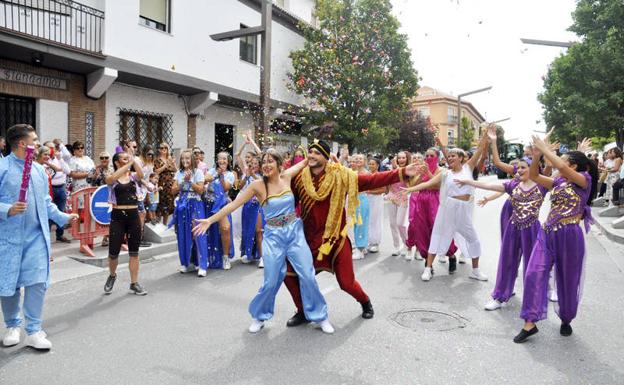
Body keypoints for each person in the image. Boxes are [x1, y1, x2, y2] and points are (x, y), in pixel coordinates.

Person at [193, 150, 334, 334]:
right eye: (264, 162)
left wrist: (322, 153)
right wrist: (210, 220)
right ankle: (259, 316)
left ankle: (320, 316)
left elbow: (308, 161)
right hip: (273, 236)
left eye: (270, 161)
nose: (266, 165)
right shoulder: (257, 186)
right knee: (271, 280)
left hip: (294, 233)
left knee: (307, 275)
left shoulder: (288, 176)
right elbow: (233, 204)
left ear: (278, 163)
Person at [283, 139, 420, 326]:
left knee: (346, 283)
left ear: (325, 157)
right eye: (310, 152)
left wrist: (402, 172)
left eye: (316, 153)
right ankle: (302, 311)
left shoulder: (341, 176)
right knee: (290, 274)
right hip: (308, 240)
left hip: (335, 240)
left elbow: (372, 180)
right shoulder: (299, 179)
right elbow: (284, 199)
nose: (312, 156)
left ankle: (365, 302)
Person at [0, 124, 78, 350]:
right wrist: (7, 209)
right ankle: (12, 325)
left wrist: (63, 217)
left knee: (36, 283)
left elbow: (45, 202)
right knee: (10, 284)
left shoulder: (38, 170)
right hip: (9, 238)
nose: (38, 143)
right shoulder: (2, 167)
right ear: (22, 143)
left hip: (36, 237)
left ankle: (33, 331)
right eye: (34, 140)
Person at [514, 136, 597, 343]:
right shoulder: (558, 181)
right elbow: (534, 175)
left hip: (570, 236)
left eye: (564, 159)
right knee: (533, 273)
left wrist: (545, 149)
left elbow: (559, 164)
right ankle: (530, 322)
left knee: (568, 281)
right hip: (547, 232)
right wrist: (536, 156)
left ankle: (566, 318)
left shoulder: (584, 180)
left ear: (573, 165)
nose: (559, 161)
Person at [456, 157, 547, 311]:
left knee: (533, 265)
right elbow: (489, 186)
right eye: (518, 168)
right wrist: (469, 182)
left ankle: (533, 299)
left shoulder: (542, 186)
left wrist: (543, 151)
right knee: (507, 261)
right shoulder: (513, 185)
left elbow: (561, 172)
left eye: (524, 167)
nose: (519, 170)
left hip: (532, 229)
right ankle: (499, 296)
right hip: (513, 228)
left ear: (534, 169)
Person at [403, 132, 490, 282]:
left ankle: (475, 270)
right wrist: (409, 190)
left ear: (461, 158)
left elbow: (480, 149)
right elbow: (427, 184)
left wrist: (486, 135)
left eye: (453, 156)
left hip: (463, 209)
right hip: (448, 208)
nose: (450, 158)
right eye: (448, 156)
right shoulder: (445, 173)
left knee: (473, 238)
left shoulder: (468, 168)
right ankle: (428, 269)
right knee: (437, 236)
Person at [103, 152, 147, 296]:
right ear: (117, 162)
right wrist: (130, 163)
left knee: (134, 252)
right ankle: (112, 275)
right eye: (124, 158)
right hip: (117, 216)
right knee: (113, 253)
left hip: (133, 215)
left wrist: (134, 162)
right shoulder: (112, 175)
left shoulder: (133, 177)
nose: (128, 161)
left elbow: (141, 175)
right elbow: (111, 179)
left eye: (128, 158)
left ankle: (134, 283)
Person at [405, 147, 458, 263]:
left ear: (437, 158)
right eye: (427, 156)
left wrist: (428, 173)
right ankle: (427, 261)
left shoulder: (442, 170)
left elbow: (439, 186)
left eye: (431, 156)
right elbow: (413, 185)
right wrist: (418, 174)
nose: (429, 158)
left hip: (435, 201)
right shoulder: (422, 169)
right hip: (422, 201)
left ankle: (451, 254)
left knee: (439, 228)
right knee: (422, 230)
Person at [171, 150, 209, 276]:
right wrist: (183, 182)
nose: (185, 161)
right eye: (183, 159)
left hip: (195, 204)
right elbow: (173, 190)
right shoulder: (179, 173)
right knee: (183, 233)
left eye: (187, 158)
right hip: (182, 205)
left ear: (192, 159)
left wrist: (190, 182)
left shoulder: (198, 172)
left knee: (198, 233)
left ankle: (202, 264)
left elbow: (201, 191)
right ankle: (187, 263)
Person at [204, 152, 235, 269]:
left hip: (221, 205)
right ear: (216, 160)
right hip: (208, 204)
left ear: (228, 161)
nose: (222, 161)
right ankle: (205, 258)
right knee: (207, 231)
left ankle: (225, 257)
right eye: (220, 158)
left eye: (224, 159)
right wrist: (216, 173)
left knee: (225, 228)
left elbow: (225, 187)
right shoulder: (212, 171)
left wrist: (221, 176)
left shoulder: (230, 174)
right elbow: (205, 179)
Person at [386, 151, 411, 256]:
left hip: (404, 198)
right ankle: (396, 246)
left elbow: (408, 182)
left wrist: (397, 169)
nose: (401, 160)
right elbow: (387, 183)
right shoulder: (391, 170)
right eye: (399, 158)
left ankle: (406, 245)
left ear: (407, 158)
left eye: (403, 158)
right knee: (392, 224)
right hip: (392, 197)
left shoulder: (409, 170)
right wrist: (388, 193)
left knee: (400, 224)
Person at [350, 154, 370, 260]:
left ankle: (360, 249)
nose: (358, 160)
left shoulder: (367, 173)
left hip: (362, 199)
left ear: (364, 161)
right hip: (353, 200)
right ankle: (361, 246)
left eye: (360, 159)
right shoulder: (352, 172)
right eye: (356, 159)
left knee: (361, 224)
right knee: (354, 224)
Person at [366, 157, 385, 253]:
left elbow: (384, 190)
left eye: (373, 164)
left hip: (376, 199)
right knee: (367, 220)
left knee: (375, 220)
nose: (371, 166)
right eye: (369, 164)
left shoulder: (380, 176)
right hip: (367, 199)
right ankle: (368, 241)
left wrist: (370, 191)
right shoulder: (367, 174)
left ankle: (375, 243)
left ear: (377, 165)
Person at [154, 142, 177, 225]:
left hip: (170, 185)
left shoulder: (170, 159)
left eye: (165, 148)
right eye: (161, 148)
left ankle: (164, 224)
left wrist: (173, 163)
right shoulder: (157, 160)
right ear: (159, 150)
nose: (163, 149)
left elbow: (175, 170)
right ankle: (158, 224)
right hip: (162, 185)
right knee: (161, 204)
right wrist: (165, 165)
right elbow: (156, 171)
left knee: (168, 205)